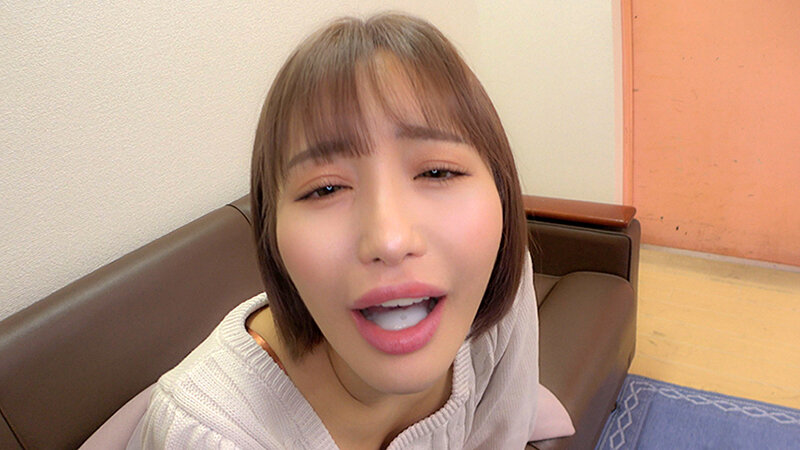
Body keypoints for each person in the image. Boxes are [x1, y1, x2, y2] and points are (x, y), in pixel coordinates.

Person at [130, 12, 556, 449]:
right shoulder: (210, 436)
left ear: (501, 189)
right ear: (271, 237)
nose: (390, 241)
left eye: (437, 172)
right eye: (326, 189)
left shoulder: (496, 296)